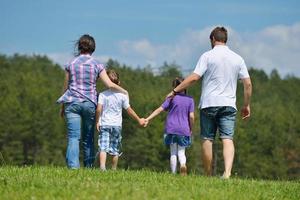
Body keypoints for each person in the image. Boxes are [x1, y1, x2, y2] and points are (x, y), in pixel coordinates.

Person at [167, 27, 252, 179]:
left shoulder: (207, 55)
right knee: (227, 138)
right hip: (229, 104)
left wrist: (175, 91)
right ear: (226, 39)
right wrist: (246, 105)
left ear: (213, 39)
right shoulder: (238, 58)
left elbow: (194, 78)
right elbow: (248, 84)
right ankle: (227, 173)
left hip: (209, 103)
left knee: (207, 139)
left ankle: (208, 175)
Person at [57, 34, 128, 169]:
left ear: (79, 47)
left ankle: (73, 168)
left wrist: (62, 106)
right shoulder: (97, 65)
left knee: (73, 137)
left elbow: (65, 87)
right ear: (93, 48)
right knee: (88, 138)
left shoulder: (70, 63)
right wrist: (124, 91)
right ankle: (88, 167)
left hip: (72, 103)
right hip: (90, 103)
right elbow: (109, 84)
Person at [96, 69, 146, 171]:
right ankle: (114, 169)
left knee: (103, 147)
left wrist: (97, 121)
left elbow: (99, 109)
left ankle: (102, 167)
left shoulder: (102, 94)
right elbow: (129, 110)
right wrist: (138, 119)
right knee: (115, 149)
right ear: (119, 83)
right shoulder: (122, 96)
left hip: (104, 124)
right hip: (116, 125)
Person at [145, 77, 195, 175]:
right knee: (181, 152)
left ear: (174, 87)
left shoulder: (171, 98)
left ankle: (173, 173)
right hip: (184, 129)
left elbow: (159, 109)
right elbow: (191, 116)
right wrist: (191, 128)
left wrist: (148, 118)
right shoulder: (190, 100)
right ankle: (183, 165)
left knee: (173, 152)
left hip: (171, 129)